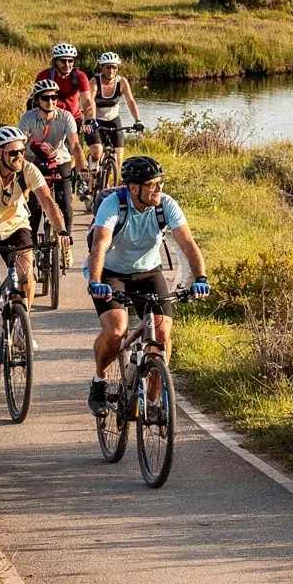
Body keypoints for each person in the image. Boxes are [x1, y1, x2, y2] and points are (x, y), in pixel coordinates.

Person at [85, 155, 210, 416]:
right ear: (134, 188)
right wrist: (96, 282)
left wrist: (200, 279)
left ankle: (152, 402)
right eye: (152, 185)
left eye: (160, 184)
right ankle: (99, 381)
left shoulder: (166, 205)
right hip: (111, 273)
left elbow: (187, 243)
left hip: (148, 273)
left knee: (162, 333)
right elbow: (100, 244)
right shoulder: (113, 205)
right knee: (117, 330)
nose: (158, 190)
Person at [0, 126, 70, 373]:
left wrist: (61, 231)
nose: (20, 156)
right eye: (13, 153)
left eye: (22, 151)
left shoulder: (29, 170)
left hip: (16, 228)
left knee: (26, 275)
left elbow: (47, 201)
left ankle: (20, 326)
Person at [18, 79, 87, 257]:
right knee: (34, 207)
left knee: (66, 206)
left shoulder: (65, 116)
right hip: (34, 162)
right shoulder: (27, 118)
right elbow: (21, 144)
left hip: (60, 161)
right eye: (46, 98)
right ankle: (30, 248)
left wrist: (82, 167)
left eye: (54, 97)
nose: (51, 102)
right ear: (37, 100)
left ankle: (66, 245)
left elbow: (75, 145)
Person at [35, 42, 99, 176]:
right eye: (63, 61)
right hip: (51, 119)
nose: (67, 64)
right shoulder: (44, 76)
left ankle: (74, 180)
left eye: (71, 60)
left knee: (74, 152)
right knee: (47, 151)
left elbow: (87, 101)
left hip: (73, 118)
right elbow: (35, 99)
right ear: (55, 61)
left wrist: (89, 120)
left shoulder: (80, 76)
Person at [88, 52, 143, 176]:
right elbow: (90, 102)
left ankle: (114, 185)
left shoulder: (122, 81)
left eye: (114, 67)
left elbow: (130, 101)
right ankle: (89, 186)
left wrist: (138, 120)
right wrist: (91, 119)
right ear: (102, 67)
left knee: (119, 158)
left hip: (113, 119)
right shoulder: (95, 81)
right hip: (96, 120)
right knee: (96, 153)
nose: (111, 70)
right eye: (108, 67)